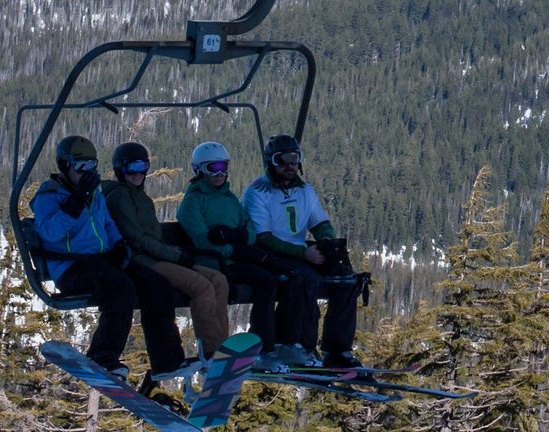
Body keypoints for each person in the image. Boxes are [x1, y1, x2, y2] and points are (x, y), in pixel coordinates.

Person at [30, 134, 190, 382]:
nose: (87, 172)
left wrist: (119, 245)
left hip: (102, 261)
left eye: (92, 166)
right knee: (120, 288)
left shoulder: (94, 193)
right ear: (65, 166)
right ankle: (102, 356)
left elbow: (106, 222)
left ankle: (167, 360)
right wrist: (76, 201)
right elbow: (50, 232)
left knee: (156, 283)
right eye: (81, 166)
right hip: (72, 267)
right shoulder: (50, 195)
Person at [177, 140, 309, 366]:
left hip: (234, 259)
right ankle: (261, 348)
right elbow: (202, 240)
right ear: (199, 170)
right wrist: (233, 248)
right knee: (264, 281)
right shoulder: (192, 202)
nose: (220, 173)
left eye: (223, 166)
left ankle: (281, 343)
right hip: (213, 263)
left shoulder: (229, 197)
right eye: (213, 168)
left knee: (286, 276)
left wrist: (238, 238)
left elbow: (249, 229)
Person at [100, 141, 230, 365]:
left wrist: (176, 253)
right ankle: (212, 351)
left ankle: (223, 347)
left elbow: (154, 239)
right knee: (201, 286)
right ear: (120, 170)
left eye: (143, 167)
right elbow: (138, 240)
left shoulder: (142, 198)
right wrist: (176, 256)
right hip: (142, 261)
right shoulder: (119, 198)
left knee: (219, 280)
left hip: (159, 257)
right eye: (132, 168)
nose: (138, 174)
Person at [244, 133, 363, 367]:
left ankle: (337, 349)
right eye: (282, 160)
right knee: (303, 278)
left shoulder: (304, 190)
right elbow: (264, 238)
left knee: (346, 280)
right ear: (271, 161)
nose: (290, 166)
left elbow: (319, 222)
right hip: (271, 255)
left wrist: (326, 241)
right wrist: (303, 254)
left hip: (300, 252)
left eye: (294, 159)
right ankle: (296, 344)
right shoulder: (258, 192)